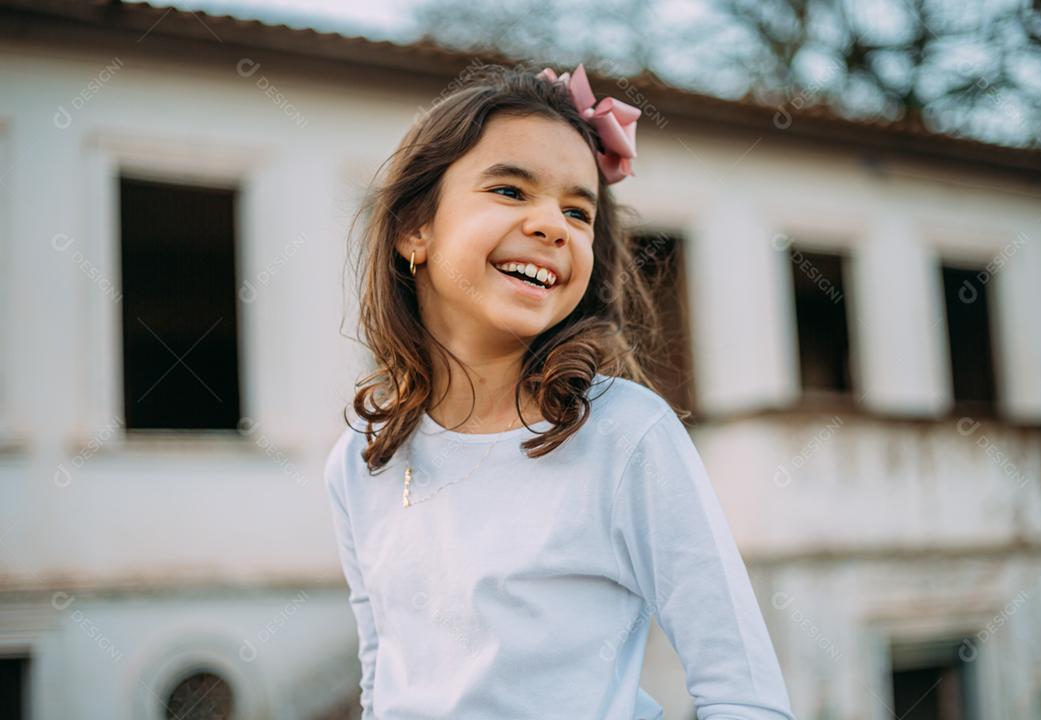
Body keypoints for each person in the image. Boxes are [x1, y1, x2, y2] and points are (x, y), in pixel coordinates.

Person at [324, 61, 796, 720]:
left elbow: (744, 695)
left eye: (579, 210)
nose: (555, 225)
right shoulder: (358, 460)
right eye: (512, 191)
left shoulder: (627, 435)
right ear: (413, 229)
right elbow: (384, 675)